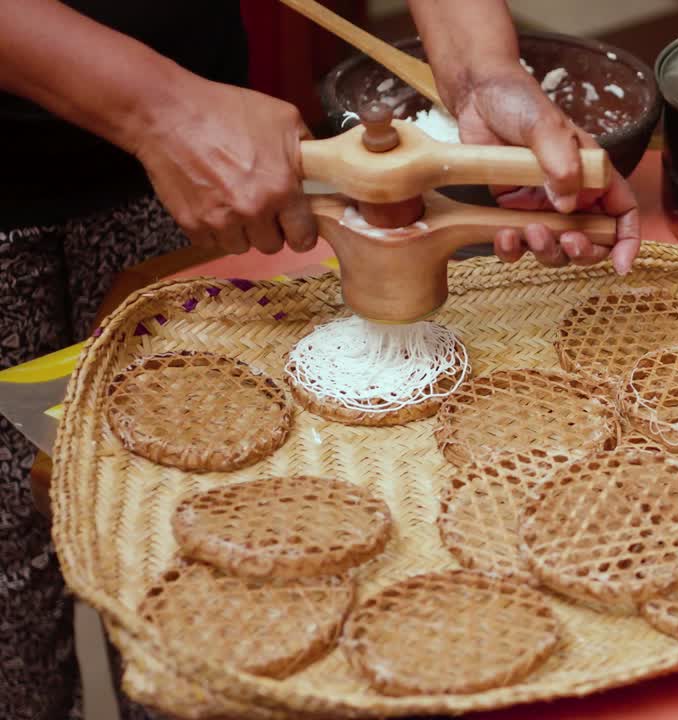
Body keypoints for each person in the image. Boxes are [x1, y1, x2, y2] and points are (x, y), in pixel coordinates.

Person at [0, 2, 640, 718]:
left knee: (199, 601)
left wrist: (480, 73)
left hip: (206, 146)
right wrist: (157, 112)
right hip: (162, 127)